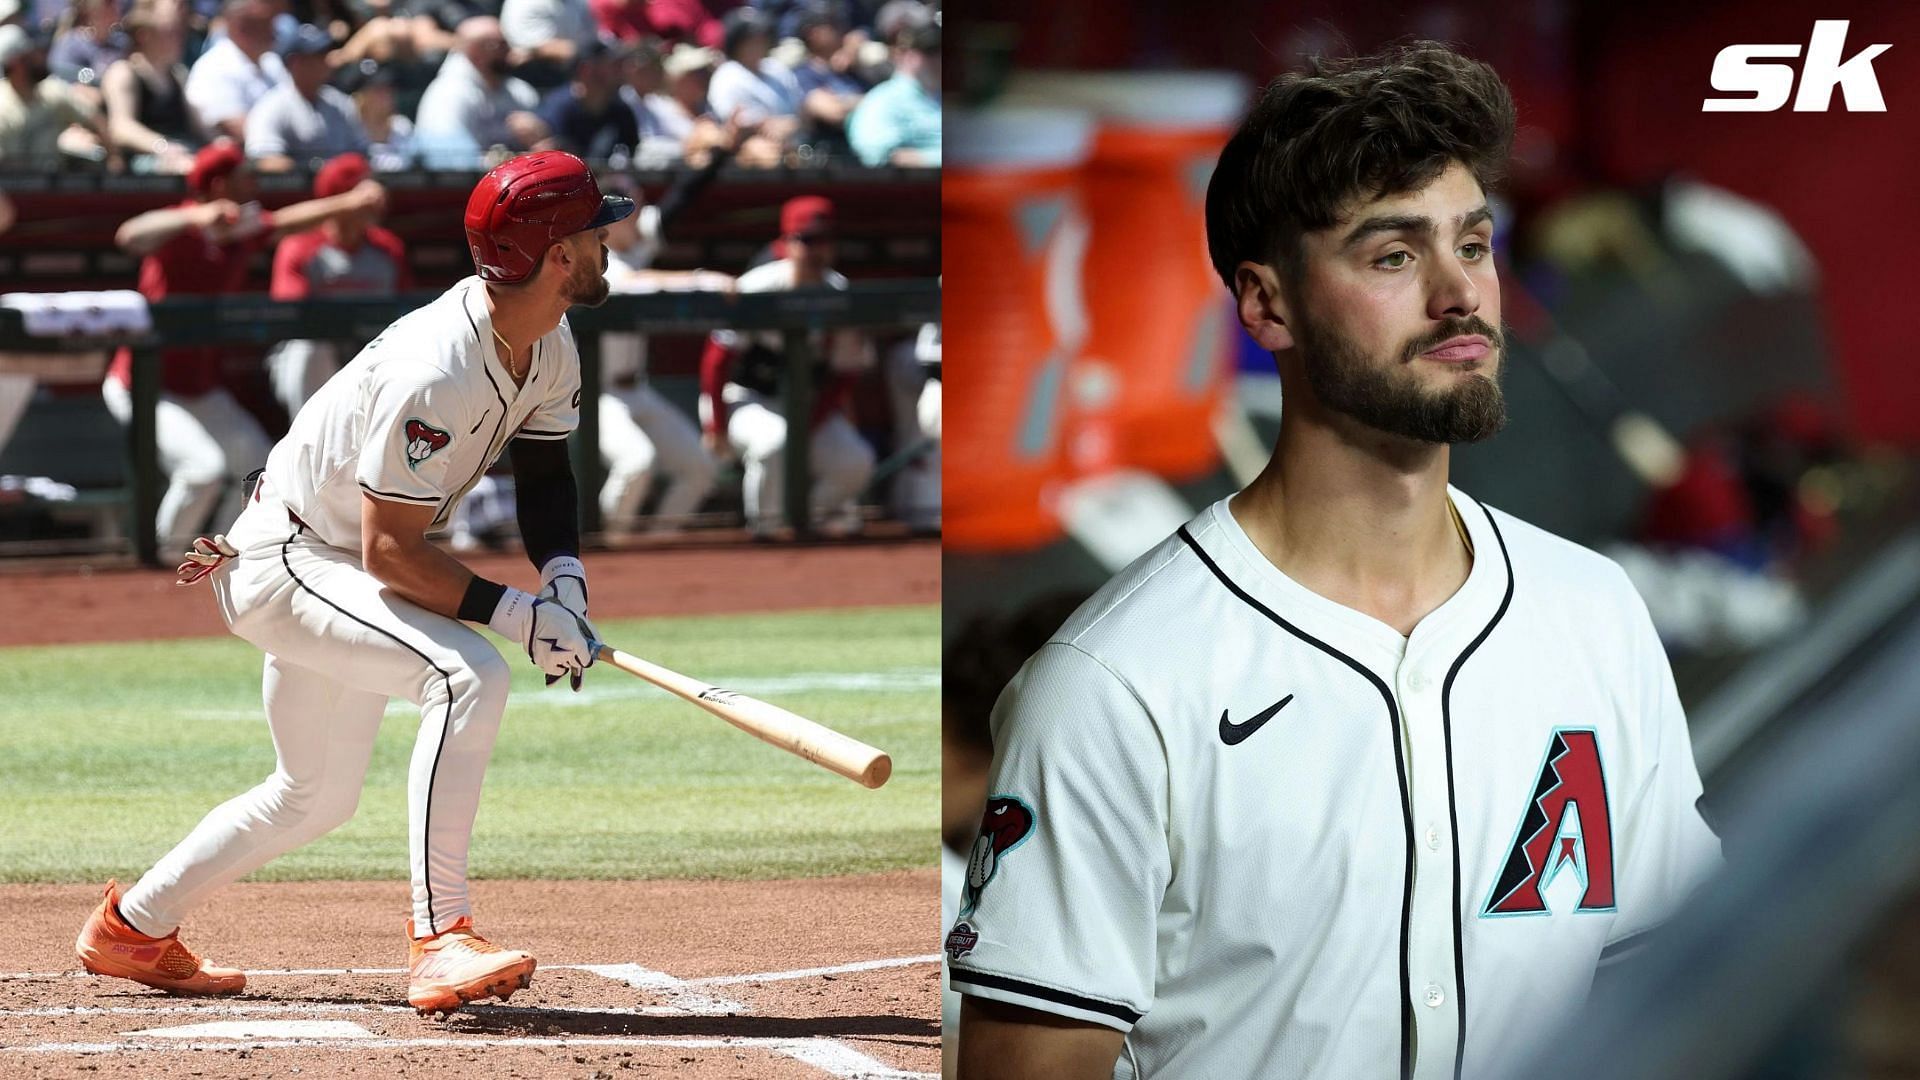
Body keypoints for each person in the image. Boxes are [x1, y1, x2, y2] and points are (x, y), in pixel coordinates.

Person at [948, 43, 1723, 1080]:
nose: (1461, 295)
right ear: (1267, 305)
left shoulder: (1595, 613)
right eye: (1394, 257)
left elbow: (1668, 989)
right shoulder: (1115, 683)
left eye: (1475, 244)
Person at [76, 150, 626, 1018]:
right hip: (288, 560)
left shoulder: (547, 338)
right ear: (557, 253)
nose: (610, 240)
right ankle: (442, 937)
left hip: (328, 562)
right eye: (597, 230)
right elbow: (393, 556)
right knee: (465, 673)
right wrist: (519, 617)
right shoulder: (437, 368)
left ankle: (132, 927)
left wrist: (565, 582)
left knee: (314, 795)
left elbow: (548, 478)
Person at [101, 141, 385, 554]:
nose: (253, 184)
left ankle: (218, 554)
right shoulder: (180, 225)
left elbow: (287, 221)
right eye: (243, 177)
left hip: (199, 387)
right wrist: (195, 215)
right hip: (144, 385)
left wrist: (345, 202)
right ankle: (159, 560)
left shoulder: (238, 227)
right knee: (202, 472)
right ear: (219, 184)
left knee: (258, 468)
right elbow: (129, 235)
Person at [699, 195, 875, 538]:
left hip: (805, 404)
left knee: (856, 460)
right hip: (748, 397)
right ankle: (765, 529)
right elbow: (716, 362)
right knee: (773, 444)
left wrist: (812, 422)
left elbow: (845, 372)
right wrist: (716, 424)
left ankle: (805, 517)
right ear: (787, 243)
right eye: (808, 240)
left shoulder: (839, 291)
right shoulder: (757, 286)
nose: (817, 250)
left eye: (825, 241)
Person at [596, 171, 727, 537]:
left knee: (701, 468)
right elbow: (635, 284)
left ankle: (658, 544)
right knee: (636, 463)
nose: (639, 217)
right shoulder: (594, 257)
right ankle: (605, 545)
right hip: (595, 393)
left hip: (636, 388)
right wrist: (701, 279)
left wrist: (716, 158)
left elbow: (677, 203)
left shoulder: (635, 247)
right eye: (629, 212)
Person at [266, 151, 412, 414]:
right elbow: (291, 315)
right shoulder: (300, 245)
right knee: (309, 348)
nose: (373, 202)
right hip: (316, 356)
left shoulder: (388, 247)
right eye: (361, 194)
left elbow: (406, 315)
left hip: (368, 351)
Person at [414, 15, 546, 168]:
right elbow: (447, 160)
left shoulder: (520, 92)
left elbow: (542, 149)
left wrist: (539, 138)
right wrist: (506, 162)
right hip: (466, 189)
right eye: (501, 45)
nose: (509, 51)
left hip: (517, 184)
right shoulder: (448, 93)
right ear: (475, 52)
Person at [244, 23, 368, 171]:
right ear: (295, 63)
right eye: (317, 56)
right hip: (298, 193)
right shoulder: (271, 106)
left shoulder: (341, 103)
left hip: (344, 186)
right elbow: (264, 160)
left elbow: (363, 154)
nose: (325, 62)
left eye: (324, 54)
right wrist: (314, 171)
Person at [100, 0, 200, 173]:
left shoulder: (177, 75)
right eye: (171, 31)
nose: (180, 38)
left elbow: (199, 128)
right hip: (144, 163)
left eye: (181, 32)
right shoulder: (123, 72)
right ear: (143, 34)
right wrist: (164, 147)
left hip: (184, 152)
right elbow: (121, 128)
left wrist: (221, 143)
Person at [0, 22, 115, 167]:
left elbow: (97, 121)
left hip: (56, 185)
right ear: (15, 63)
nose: (39, 58)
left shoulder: (52, 90)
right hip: (17, 186)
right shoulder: (3, 105)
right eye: (30, 55)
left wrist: (114, 160)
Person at [183, 0, 285, 143]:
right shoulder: (215, 65)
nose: (274, 31)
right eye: (264, 24)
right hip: (243, 160)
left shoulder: (272, 62)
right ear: (240, 26)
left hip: (282, 151)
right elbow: (236, 128)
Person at [845, 20, 935, 166]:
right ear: (904, 54)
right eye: (931, 51)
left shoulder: (955, 99)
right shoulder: (882, 100)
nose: (940, 59)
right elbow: (879, 157)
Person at [536, 37, 637, 160]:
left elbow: (631, 153)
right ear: (586, 70)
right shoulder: (559, 107)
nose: (620, 71)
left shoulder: (621, 111)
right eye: (613, 65)